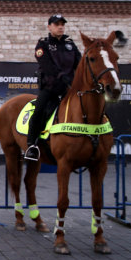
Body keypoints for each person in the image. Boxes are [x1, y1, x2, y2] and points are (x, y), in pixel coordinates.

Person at [25, 14, 81, 164]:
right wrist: (62, 76)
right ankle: (32, 145)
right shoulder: (43, 44)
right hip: (50, 88)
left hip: (68, 89)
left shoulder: (70, 44)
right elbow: (46, 65)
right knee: (39, 111)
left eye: (62, 24)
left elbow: (80, 63)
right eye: (57, 24)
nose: (60, 27)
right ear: (49, 27)